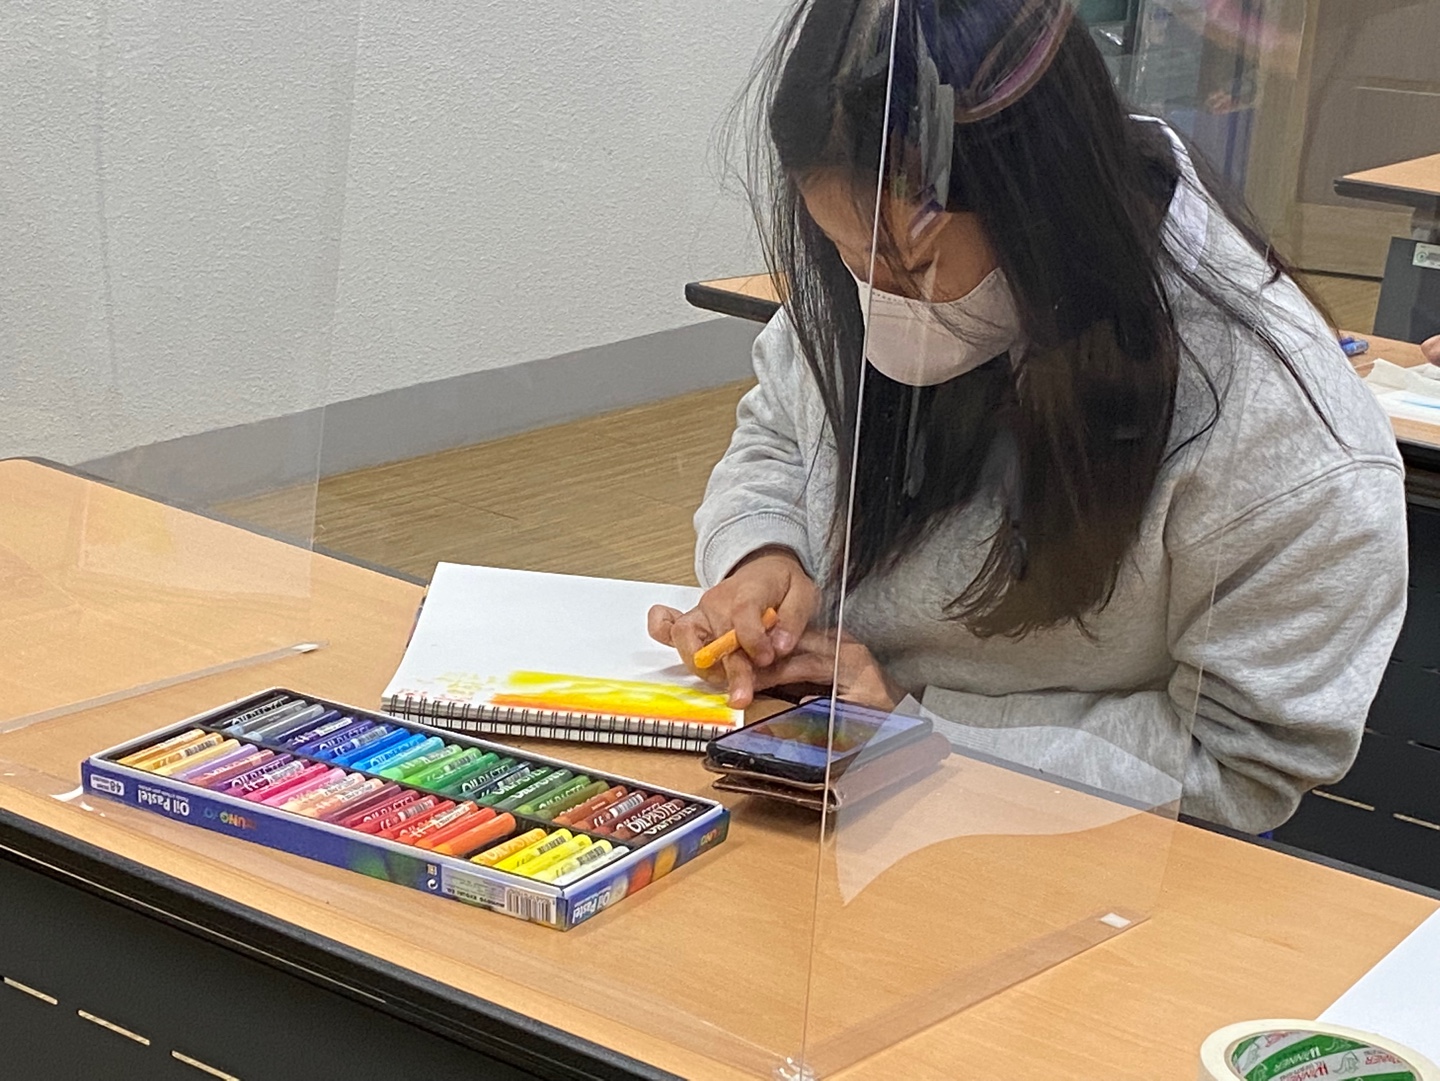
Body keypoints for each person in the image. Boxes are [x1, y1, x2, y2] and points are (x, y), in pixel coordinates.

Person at [649, 0, 1407, 834]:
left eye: (912, 268)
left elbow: (1241, 763)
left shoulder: (1282, 432)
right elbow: (780, 425)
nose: (876, 304)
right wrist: (762, 552)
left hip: (1056, 841)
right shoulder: (876, 236)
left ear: (1043, 212)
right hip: (815, 772)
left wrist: (921, 724)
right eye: (845, 256)